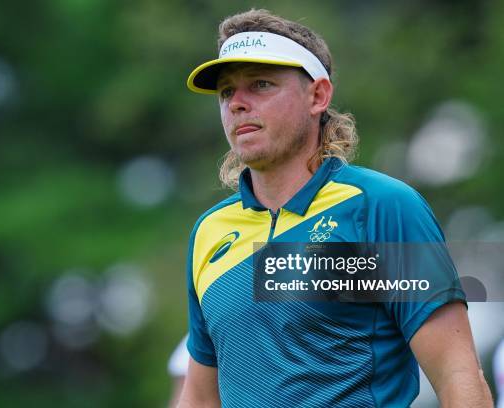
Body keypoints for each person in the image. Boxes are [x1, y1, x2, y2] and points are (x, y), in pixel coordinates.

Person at [178, 8, 493, 408]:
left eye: (261, 84)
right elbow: (201, 399)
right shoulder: (210, 231)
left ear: (318, 96)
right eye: (226, 92)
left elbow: (457, 375)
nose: (238, 104)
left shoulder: (379, 208)